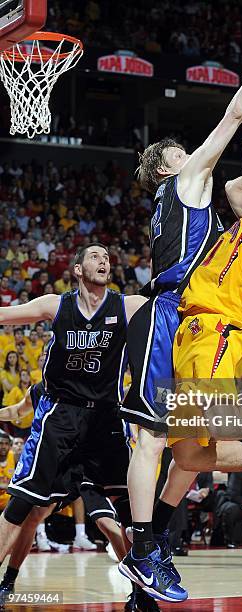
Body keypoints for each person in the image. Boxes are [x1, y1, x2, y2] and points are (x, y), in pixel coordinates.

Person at [120, 14, 242, 604]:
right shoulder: (184, 181)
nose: (195, 150)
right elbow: (235, 120)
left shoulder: (192, 199)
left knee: (187, 450)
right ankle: (143, 545)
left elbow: (238, 190)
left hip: (183, 318)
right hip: (177, 314)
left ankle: (151, 562)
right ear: (170, 165)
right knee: (159, 439)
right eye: (184, 149)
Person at [0, 243, 159, 612]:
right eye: (94, 256)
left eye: (107, 257)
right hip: (62, 417)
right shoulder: (56, 305)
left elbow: (174, 305)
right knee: (24, 505)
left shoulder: (127, 305)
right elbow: (7, 314)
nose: (103, 261)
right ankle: (8, 580)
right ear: (77, 269)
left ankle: (141, 592)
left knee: (126, 514)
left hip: (106, 419)